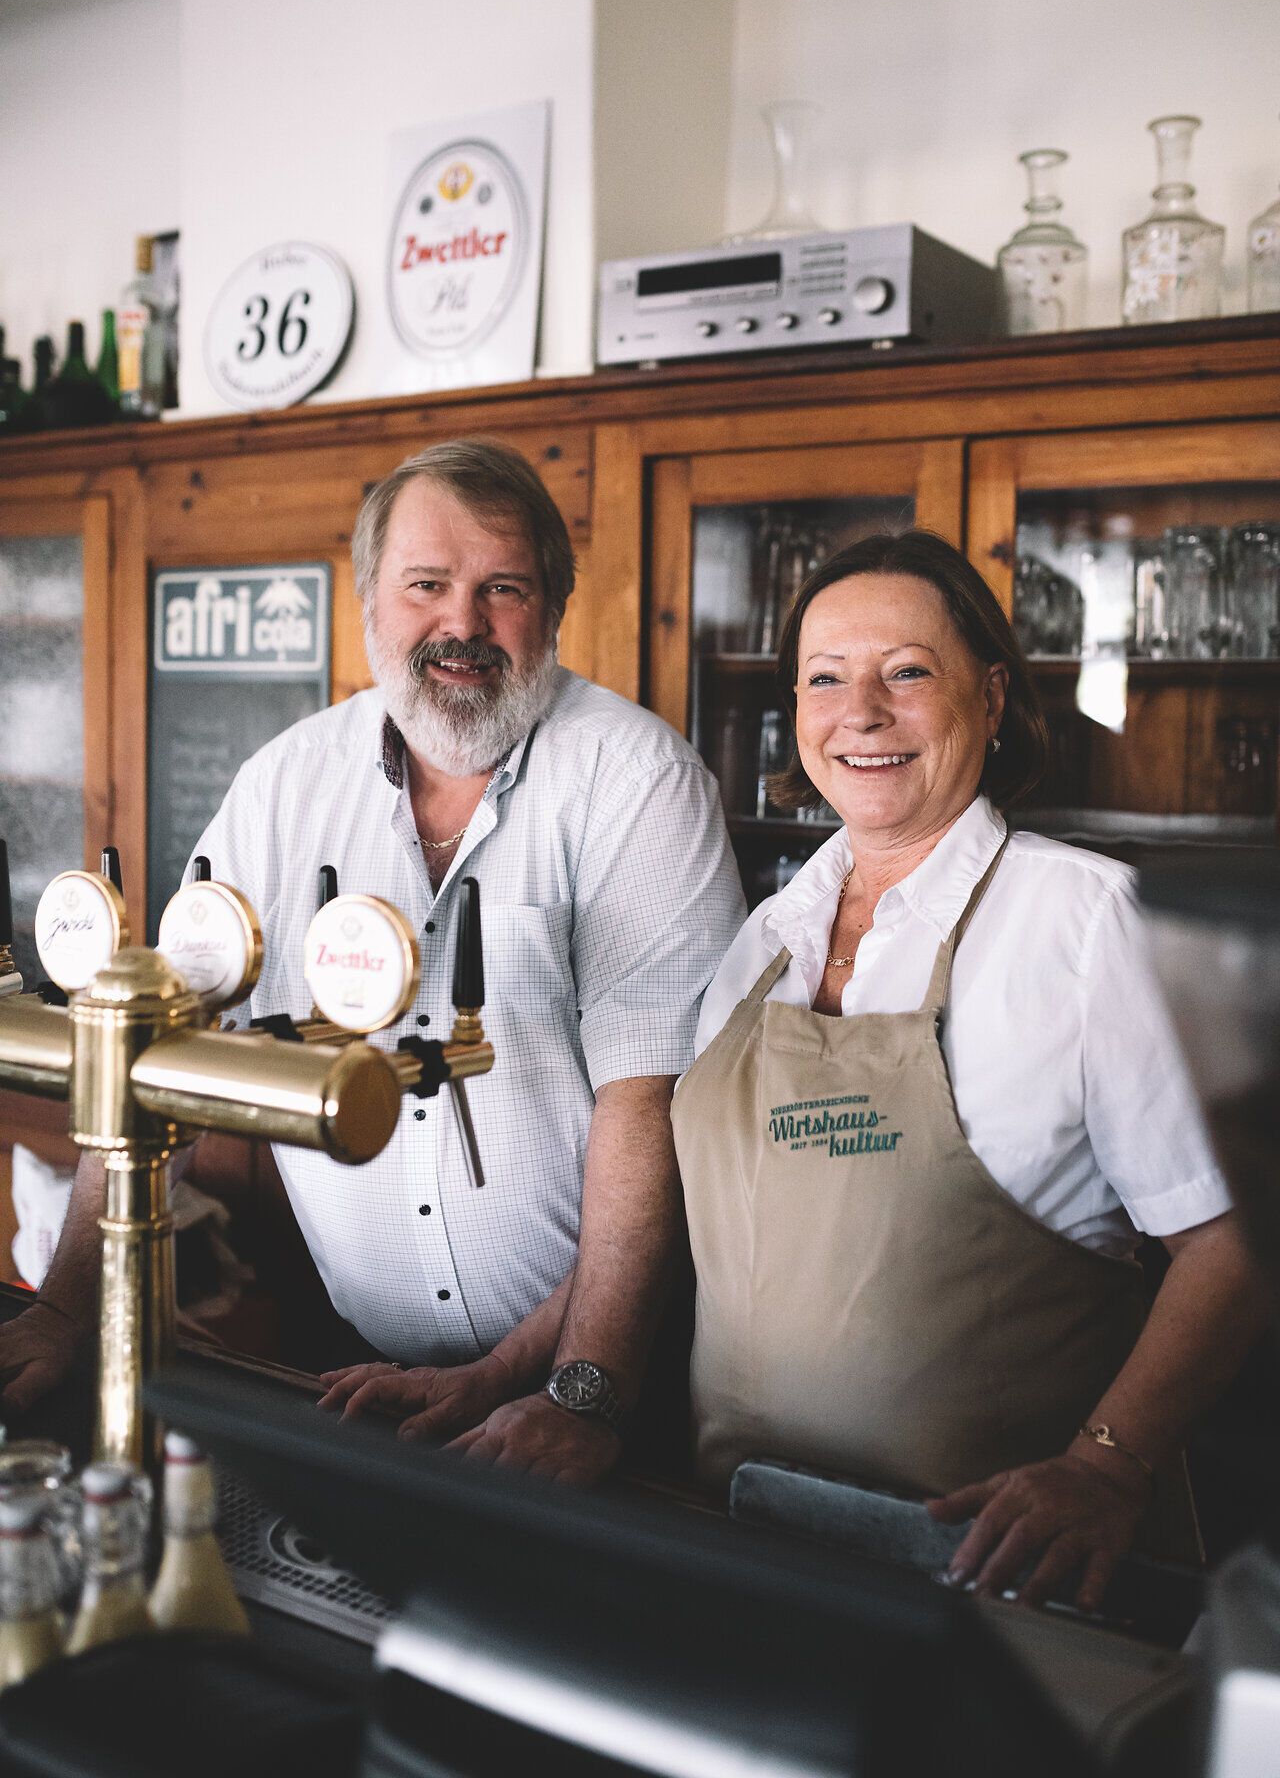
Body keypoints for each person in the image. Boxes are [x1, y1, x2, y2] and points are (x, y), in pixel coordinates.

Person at [1, 440, 745, 1483]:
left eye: (502, 589)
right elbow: (152, 1046)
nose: (462, 623)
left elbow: (647, 1108)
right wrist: (70, 1307)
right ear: (368, 605)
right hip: (354, 1362)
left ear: (555, 607)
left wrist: (579, 1389)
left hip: (597, 1380)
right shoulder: (283, 787)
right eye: (427, 586)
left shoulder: (636, 785)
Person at [674, 529, 1263, 1606]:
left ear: (989, 700)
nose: (860, 712)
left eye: (905, 672)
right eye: (824, 678)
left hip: (996, 1585)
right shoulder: (761, 938)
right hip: (738, 1544)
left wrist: (1104, 1463)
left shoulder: (1086, 924)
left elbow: (1231, 1243)